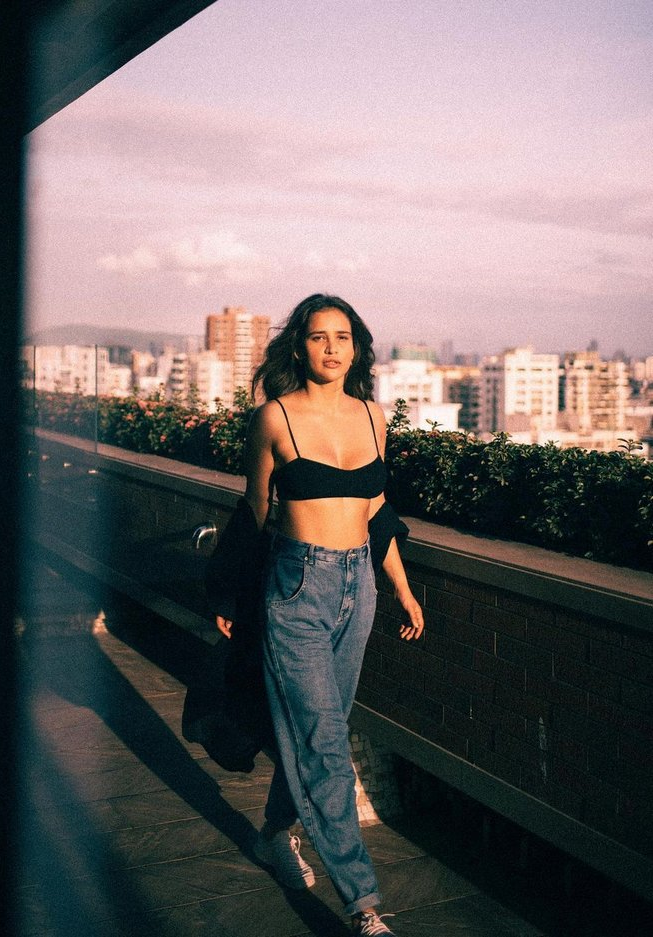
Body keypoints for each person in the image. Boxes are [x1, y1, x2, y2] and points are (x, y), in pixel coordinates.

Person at [215, 294, 424, 937]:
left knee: (317, 732)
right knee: (326, 746)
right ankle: (364, 905)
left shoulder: (372, 416)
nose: (331, 348)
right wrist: (230, 595)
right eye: (318, 336)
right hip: (296, 591)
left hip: (359, 588)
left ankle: (274, 834)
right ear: (299, 346)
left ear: (357, 347)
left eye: (342, 336)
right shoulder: (274, 417)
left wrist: (402, 588)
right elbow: (256, 511)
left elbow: (377, 509)